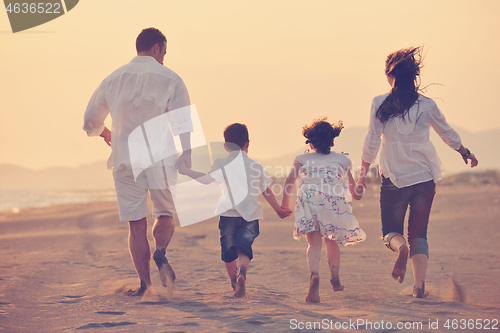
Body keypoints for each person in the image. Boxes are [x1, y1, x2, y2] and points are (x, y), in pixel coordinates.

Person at [356, 47, 478, 298]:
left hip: (394, 177)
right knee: (419, 233)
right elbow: (446, 132)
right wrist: (465, 152)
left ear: (390, 76)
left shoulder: (379, 103)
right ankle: (418, 285)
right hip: (425, 176)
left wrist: (361, 175)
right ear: (414, 75)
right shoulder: (427, 105)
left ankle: (400, 249)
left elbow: (372, 140)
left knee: (391, 232)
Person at [83, 27, 193, 296]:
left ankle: (146, 285)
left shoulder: (113, 78)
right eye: (164, 53)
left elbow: (90, 120)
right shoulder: (171, 78)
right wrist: (187, 154)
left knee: (136, 225)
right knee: (165, 214)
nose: (164, 59)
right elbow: (182, 122)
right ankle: (161, 251)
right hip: (160, 159)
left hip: (125, 160)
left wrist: (105, 132)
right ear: (156, 48)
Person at [177, 123, 292, 297]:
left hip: (228, 214)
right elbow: (266, 191)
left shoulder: (221, 164)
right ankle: (242, 275)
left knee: (229, 253)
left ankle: (233, 281)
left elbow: (207, 180)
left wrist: (187, 171)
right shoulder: (255, 165)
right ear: (247, 144)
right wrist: (278, 209)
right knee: (244, 249)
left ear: (225, 146)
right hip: (250, 215)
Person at [281, 118, 366, 303]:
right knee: (331, 241)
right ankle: (335, 279)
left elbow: (289, 181)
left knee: (313, 243)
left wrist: (284, 204)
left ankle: (314, 275)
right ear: (332, 141)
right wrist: (360, 189)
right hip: (333, 202)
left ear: (310, 143)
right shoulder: (342, 159)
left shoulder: (302, 159)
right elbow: (354, 190)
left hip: (310, 199)